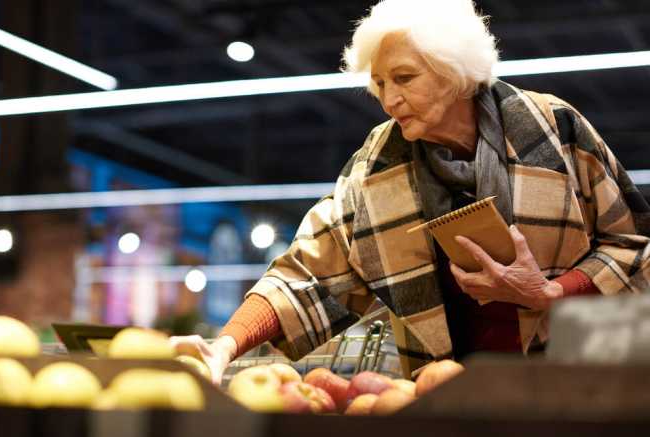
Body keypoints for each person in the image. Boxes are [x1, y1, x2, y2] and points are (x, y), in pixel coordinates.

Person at [171, 0, 650, 384]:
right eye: (378, 82)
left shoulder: (551, 130)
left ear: (454, 71)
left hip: (574, 382)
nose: (387, 98)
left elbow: (632, 244)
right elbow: (310, 273)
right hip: (442, 392)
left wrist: (548, 292)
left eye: (404, 78)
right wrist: (227, 344)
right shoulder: (375, 167)